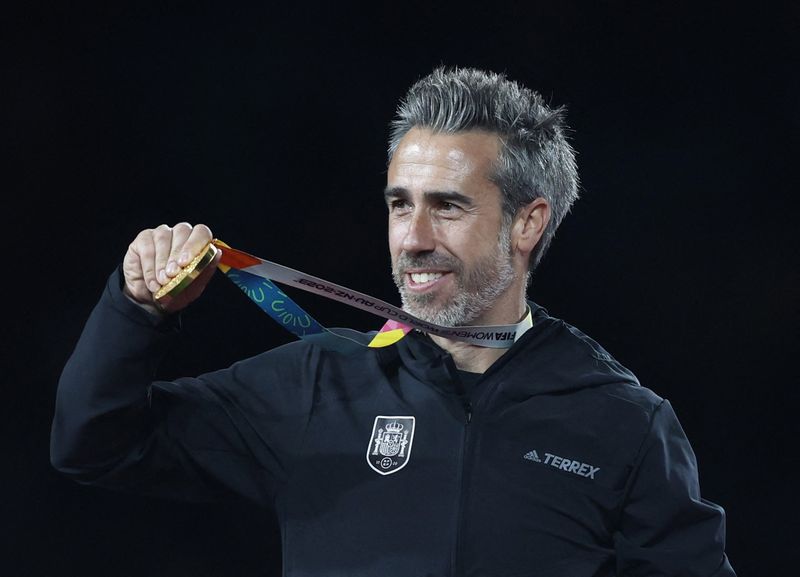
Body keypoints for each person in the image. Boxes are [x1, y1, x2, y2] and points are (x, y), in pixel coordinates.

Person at [51, 66, 736, 576]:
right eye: (399, 203)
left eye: (448, 206)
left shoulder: (622, 421)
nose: (412, 238)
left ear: (528, 223)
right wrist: (135, 309)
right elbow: (94, 442)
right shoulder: (319, 384)